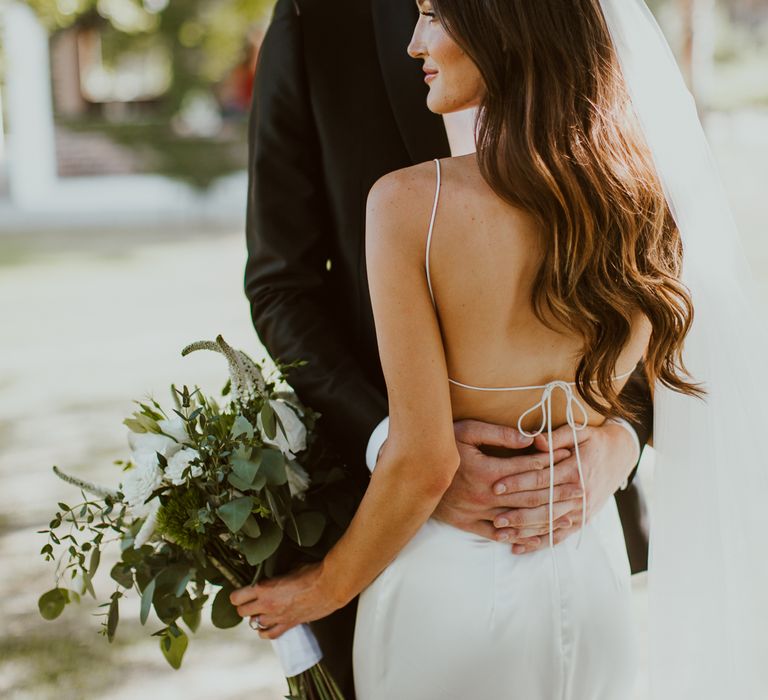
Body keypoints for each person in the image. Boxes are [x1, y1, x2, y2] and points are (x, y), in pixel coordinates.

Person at [242, 0, 654, 696]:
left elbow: (424, 459)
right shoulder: (639, 192)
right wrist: (384, 434)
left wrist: (322, 590)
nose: (414, 42)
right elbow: (282, 287)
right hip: (587, 576)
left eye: (434, 15)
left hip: (448, 571)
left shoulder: (405, 203)